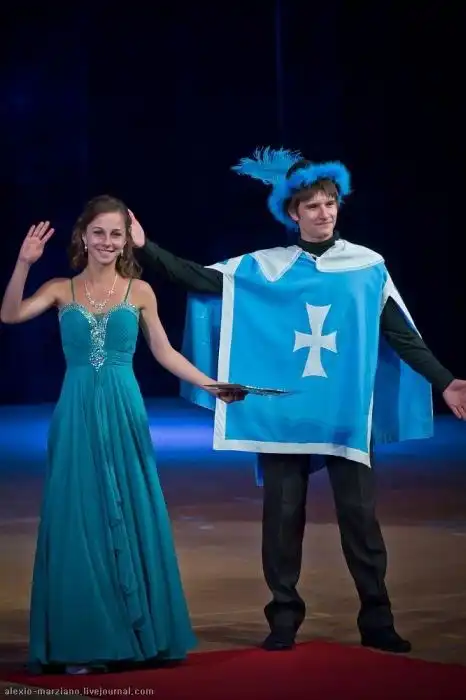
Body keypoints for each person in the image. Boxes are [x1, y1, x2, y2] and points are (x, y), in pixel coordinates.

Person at [130, 150, 466, 655]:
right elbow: (195, 277)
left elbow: (401, 334)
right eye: (312, 205)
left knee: (361, 520)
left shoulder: (366, 266)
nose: (324, 212)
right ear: (293, 213)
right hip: (284, 413)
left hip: (344, 412)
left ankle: (377, 619)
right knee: (283, 518)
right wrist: (145, 247)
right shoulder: (267, 267)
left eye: (330, 203)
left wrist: (445, 381)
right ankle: (283, 618)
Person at [0, 195, 246, 675]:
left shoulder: (140, 291)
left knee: (129, 508)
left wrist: (210, 384)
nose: (107, 242)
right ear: (83, 236)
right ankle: (84, 640)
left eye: (116, 233)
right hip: (75, 411)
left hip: (123, 407)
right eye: (99, 232)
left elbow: (165, 352)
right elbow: (9, 315)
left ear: (127, 239)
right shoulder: (60, 288)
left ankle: (138, 636)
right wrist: (23, 263)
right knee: (79, 515)